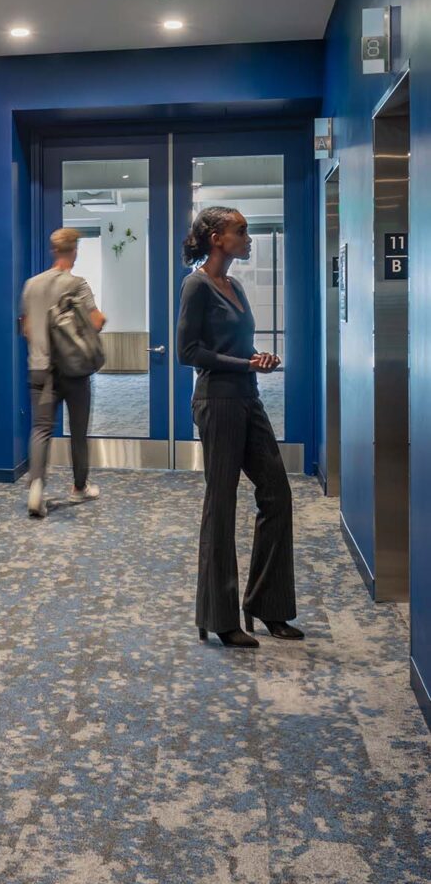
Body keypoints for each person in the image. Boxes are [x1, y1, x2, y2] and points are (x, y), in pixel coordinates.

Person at [176, 206, 304, 648]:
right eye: (241, 231)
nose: (248, 238)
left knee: (277, 495)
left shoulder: (236, 286)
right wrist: (243, 363)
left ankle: (267, 607)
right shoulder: (195, 285)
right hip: (218, 402)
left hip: (248, 398)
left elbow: (238, 343)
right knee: (222, 503)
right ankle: (218, 616)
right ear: (216, 238)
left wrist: (258, 357)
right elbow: (187, 351)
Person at [20, 228, 107, 517]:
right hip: (74, 370)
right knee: (78, 431)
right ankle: (80, 487)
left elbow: (27, 329)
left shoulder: (31, 284)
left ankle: (36, 489)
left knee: (41, 428)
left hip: (39, 368)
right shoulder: (76, 284)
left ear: (53, 250)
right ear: (74, 251)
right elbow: (96, 321)